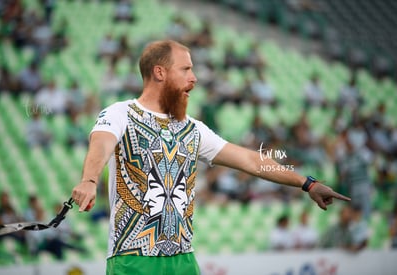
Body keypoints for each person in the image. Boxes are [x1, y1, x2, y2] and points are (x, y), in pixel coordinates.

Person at [71, 40, 350, 275]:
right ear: (160, 72)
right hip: (133, 257)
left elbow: (253, 162)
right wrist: (89, 180)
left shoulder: (193, 128)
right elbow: (101, 144)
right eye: (186, 69)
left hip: (184, 258)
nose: (194, 78)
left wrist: (308, 184)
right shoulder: (120, 113)